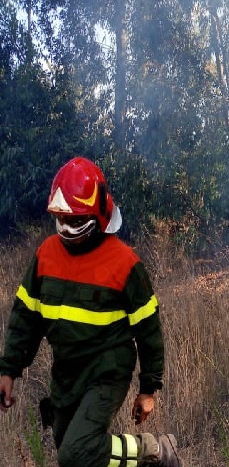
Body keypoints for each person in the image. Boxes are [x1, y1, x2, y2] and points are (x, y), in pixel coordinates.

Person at [0, 157, 180, 467]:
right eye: (61, 220)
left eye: (75, 221)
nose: (67, 229)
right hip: (67, 372)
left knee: (75, 454)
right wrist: (8, 369)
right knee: (68, 448)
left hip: (107, 372)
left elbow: (148, 329)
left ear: (99, 216)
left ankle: (154, 449)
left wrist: (148, 388)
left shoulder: (125, 263)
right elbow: (25, 317)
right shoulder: (46, 254)